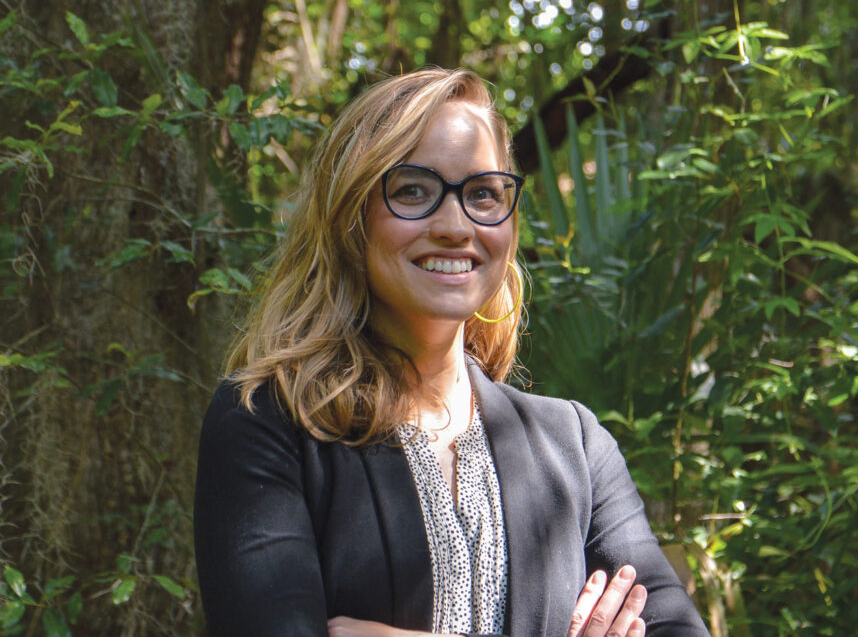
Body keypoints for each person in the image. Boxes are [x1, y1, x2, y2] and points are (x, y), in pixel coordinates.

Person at [193, 68, 710, 637]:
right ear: (351, 216)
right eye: (413, 189)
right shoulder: (269, 422)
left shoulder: (576, 447)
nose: (455, 225)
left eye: (484, 194)